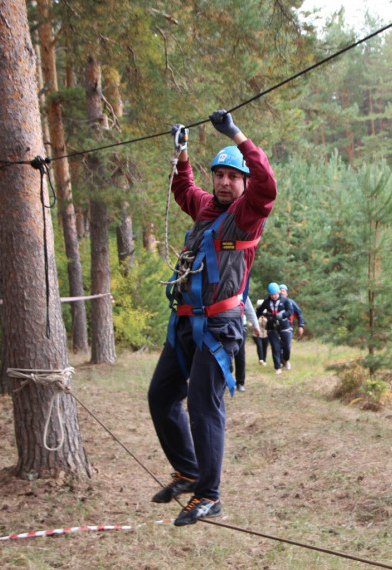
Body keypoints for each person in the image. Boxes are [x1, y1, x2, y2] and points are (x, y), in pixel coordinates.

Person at [147, 110, 276, 526]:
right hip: (185, 322)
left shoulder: (247, 212)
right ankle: (188, 471)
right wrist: (182, 151)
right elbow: (183, 187)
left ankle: (209, 495)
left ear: (242, 184)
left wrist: (236, 134)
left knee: (204, 406)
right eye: (219, 174)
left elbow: (267, 184)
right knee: (162, 396)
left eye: (232, 176)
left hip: (220, 327)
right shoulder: (205, 206)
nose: (223, 182)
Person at [255, 282, 293, 374]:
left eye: (275, 294)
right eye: (272, 295)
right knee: (275, 347)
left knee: (287, 347)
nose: (274, 296)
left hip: (284, 327)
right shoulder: (266, 302)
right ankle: (277, 367)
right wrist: (264, 315)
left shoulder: (285, 301)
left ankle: (286, 360)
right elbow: (258, 311)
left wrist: (283, 315)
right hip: (272, 327)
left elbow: (290, 311)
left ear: (279, 292)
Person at [233, 296, 260, 392]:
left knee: (240, 354)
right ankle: (226, 380)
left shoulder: (242, 293)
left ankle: (240, 382)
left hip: (241, 325)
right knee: (226, 354)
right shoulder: (222, 288)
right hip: (225, 325)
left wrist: (256, 326)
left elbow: (249, 310)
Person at [278, 284, 305, 370]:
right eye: (280, 291)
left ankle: (286, 361)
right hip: (276, 327)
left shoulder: (291, 302)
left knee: (287, 346)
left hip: (288, 327)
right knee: (278, 346)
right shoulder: (274, 302)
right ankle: (281, 362)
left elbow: (299, 314)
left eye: (284, 291)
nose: (282, 292)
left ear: (287, 293)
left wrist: (300, 325)